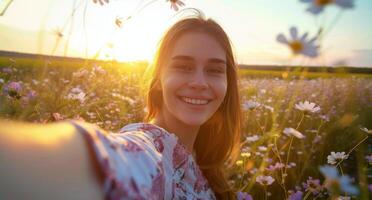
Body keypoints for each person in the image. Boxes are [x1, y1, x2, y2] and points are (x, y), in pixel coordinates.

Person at [0, 13, 241, 200]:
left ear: (228, 83)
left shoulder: (206, 164)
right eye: (183, 67)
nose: (199, 82)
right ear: (157, 79)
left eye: (214, 70)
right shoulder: (149, 150)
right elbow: (107, 159)